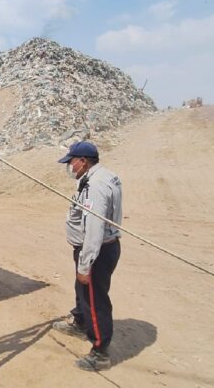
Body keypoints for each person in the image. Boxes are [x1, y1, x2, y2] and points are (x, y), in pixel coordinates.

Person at [53, 141, 122, 371]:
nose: (69, 167)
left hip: (96, 251)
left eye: (71, 162)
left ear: (83, 161)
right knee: (83, 291)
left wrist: (85, 263)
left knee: (96, 299)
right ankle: (81, 322)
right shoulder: (101, 176)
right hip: (96, 248)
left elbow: (94, 228)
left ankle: (100, 351)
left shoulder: (96, 186)